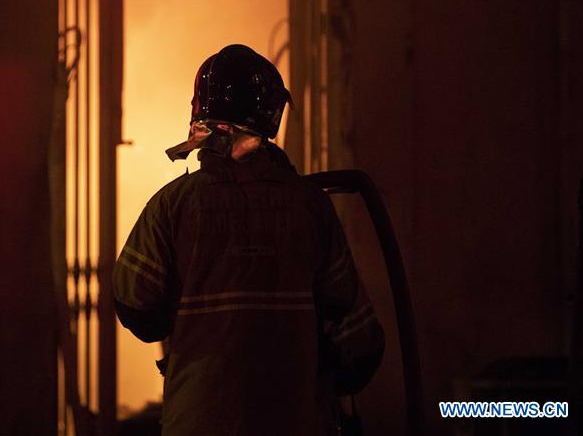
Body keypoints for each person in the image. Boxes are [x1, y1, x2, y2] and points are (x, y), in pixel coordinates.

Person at [113, 44, 385, 435]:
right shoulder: (310, 207)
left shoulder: (171, 207)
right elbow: (361, 346)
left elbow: (137, 308)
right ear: (271, 116)